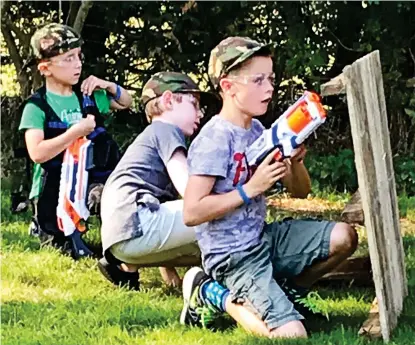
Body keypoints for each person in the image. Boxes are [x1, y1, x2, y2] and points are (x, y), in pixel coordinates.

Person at [181, 36, 358, 338]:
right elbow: (192, 212)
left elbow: (300, 193)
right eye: (258, 80)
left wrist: (296, 162)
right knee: (293, 336)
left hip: (264, 239)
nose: (269, 88)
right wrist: (249, 189)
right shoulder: (214, 139)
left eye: (271, 79)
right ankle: (211, 293)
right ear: (228, 86)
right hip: (231, 257)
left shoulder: (260, 131)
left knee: (345, 237)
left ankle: (287, 292)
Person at [19, 23, 132, 258]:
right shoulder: (36, 106)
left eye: (79, 56)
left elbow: (125, 103)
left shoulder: (88, 96)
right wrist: (76, 131)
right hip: (52, 188)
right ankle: (46, 226)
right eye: (68, 58)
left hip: (91, 179)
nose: (78, 64)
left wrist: (107, 85)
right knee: (59, 247)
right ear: (45, 68)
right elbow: (37, 153)